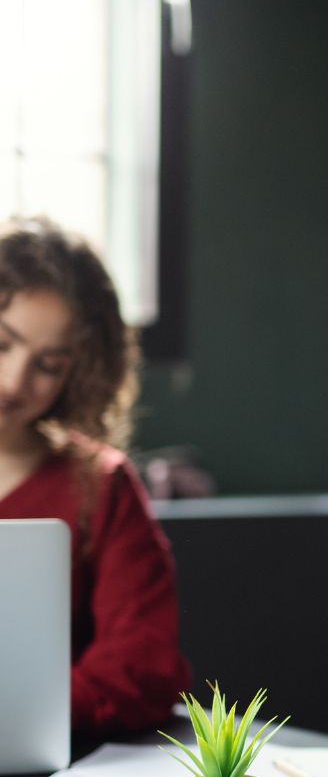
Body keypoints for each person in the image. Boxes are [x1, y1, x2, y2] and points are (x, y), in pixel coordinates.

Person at [0, 216, 189, 738]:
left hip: (47, 776)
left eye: (49, 365)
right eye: (2, 344)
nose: (14, 381)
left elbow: (141, 665)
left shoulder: (99, 485)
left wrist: (21, 717)